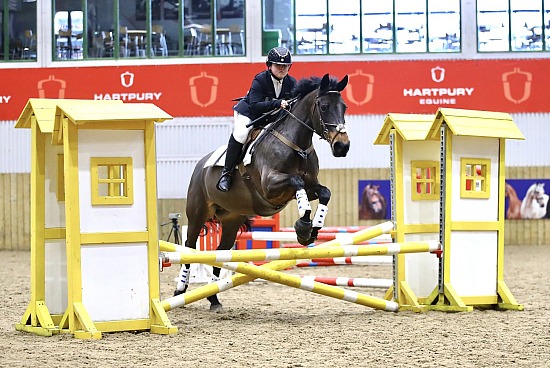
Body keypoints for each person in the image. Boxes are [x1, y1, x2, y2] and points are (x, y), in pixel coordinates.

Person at [216, 46, 297, 192]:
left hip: (271, 117)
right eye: (278, 65)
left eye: (286, 66)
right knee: (241, 134)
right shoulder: (260, 79)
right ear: (269, 65)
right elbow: (254, 106)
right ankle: (226, 174)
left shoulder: (291, 82)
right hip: (249, 114)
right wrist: (277, 103)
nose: (282, 69)